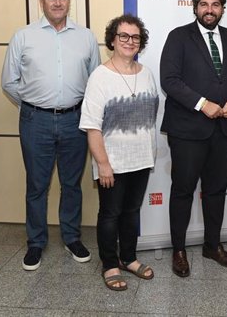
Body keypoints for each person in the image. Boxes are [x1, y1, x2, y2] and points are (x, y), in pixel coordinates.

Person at [2, 0, 100, 271]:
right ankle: (36, 242)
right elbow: (9, 81)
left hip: (75, 119)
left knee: (72, 184)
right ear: (41, 1)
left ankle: (71, 237)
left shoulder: (86, 37)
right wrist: (34, 106)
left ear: (69, 2)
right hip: (36, 121)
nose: (57, 3)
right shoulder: (23, 36)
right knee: (37, 185)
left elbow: (95, 80)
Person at [160, 0, 227, 277]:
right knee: (183, 192)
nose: (210, 10)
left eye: (215, 5)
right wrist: (202, 104)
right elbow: (169, 80)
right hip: (187, 131)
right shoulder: (179, 37)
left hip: (222, 130)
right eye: (204, 5)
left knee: (216, 192)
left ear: (223, 8)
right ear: (195, 7)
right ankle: (179, 251)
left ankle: (212, 246)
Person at [80, 15, 159, 291]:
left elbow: (151, 116)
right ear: (113, 40)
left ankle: (129, 258)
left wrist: (150, 152)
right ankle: (110, 264)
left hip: (141, 159)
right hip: (111, 162)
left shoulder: (146, 73)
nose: (129, 41)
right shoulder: (100, 77)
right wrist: (102, 164)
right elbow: (92, 126)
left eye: (135, 37)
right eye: (123, 36)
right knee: (110, 214)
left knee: (131, 212)